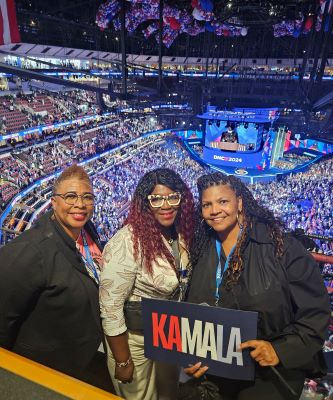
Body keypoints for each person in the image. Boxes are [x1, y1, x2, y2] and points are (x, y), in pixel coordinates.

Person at [185, 172, 330, 400]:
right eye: (207, 204)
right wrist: (189, 357)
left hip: (268, 377)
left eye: (223, 201)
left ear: (240, 202)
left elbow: (315, 315)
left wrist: (279, 350)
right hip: (213, 374)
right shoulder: (199, 249)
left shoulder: (283, 248)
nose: (214, 211)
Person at [0, 165, 111, 390]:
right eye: (70, 196)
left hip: (78, 364)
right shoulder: (31, 250)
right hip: (41, 375)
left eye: (87, 197)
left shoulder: (87, 231)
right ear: (53, 202)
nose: (80, 204)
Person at [100, 168, 196, 400]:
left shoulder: (180, 233)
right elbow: (110, 308)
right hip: (135, 341)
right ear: (145, 203)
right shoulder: (127, 242)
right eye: (156, 199)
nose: (166, 205)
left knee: (167, 395)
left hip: (167, 335)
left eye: (173, 197)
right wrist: (123, 360)